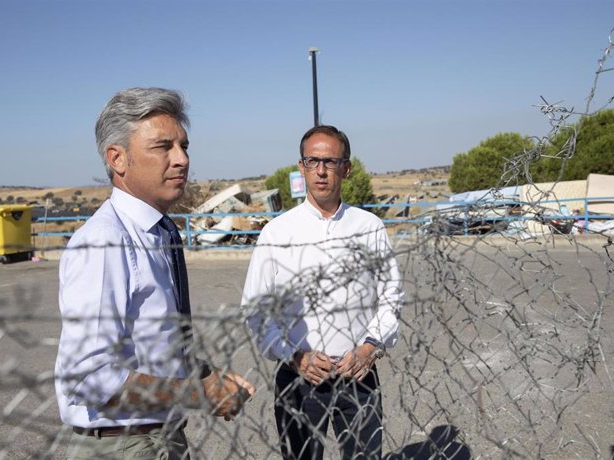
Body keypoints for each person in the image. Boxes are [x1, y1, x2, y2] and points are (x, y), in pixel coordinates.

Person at [55, 87, 255, 459]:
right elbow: (88, 377)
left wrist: (206, 376)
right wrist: (201, 394)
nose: (181, 159)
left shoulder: (161, 232)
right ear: (118, 158)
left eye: (184, 146)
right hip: (123, 444)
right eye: (163, 147)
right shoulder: (105, 243)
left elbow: (163, 337)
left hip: (159, 436)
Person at [242, 125, 403, 459]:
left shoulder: (368, 227)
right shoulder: (277, 232)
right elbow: (255, 311)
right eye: (312, 161)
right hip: (299, 378)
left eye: (330, 162)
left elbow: (391, 296)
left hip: (358, 375)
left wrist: (371, 347)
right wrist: (294, 355)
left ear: (347, 168)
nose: (320, 171)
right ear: (301, 166)